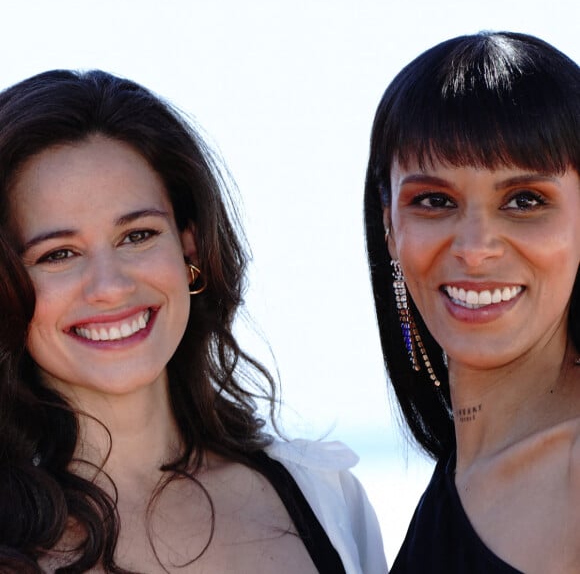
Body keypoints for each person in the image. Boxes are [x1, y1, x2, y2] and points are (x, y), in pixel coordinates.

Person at [0, 69, 386, 573]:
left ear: (189, 247)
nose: (111, 286)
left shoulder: (324, 495)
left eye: (137, 236)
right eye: (58, 254)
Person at [364, 31, 580, 573]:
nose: (476, 249)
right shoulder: (462, 474)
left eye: (525, 200)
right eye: (433, 201)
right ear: (390, 225)